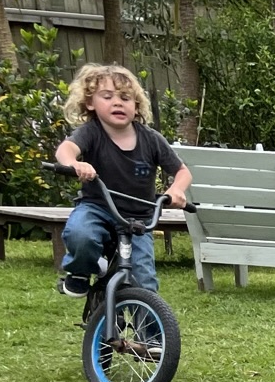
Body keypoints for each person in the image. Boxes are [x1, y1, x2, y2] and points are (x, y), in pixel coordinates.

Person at [52, 64, 191, 298]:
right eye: (107, 97)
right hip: (98, 209)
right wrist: (75, 164)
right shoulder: (92, 132)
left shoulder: (151, 139)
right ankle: (80, 272)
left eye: (126, 98)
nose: (118, 102)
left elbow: (182, 171)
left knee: (144, 280)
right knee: (80, 234)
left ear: (136, 106)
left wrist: (176, 189)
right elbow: (65, 150)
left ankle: (151, 334)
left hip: (138, 220)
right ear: (90, 103)